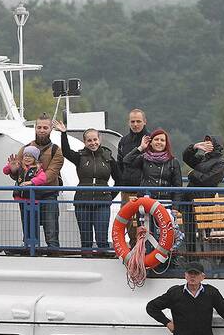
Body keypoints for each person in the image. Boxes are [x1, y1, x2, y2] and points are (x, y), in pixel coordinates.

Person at [56, 121, 119, 254]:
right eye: (89, 140)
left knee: (102, 238)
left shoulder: (108, 157)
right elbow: (66, 152)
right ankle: (87, 261)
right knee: (86, 239)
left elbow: (120, 180)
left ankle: (103, 265)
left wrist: (109, 196)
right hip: (83, 201)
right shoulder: (80, 156)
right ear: (85, 142)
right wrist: (63, 133)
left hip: (102, 203)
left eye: (95, 139)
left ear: (99, 139)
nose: (93, 143)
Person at [22, 115, 65, 249]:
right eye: (39, 127)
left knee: (51, 228)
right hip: (29, 196)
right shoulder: (26, 148)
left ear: (51, 129)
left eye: (45, 127)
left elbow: (52, 173)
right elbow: (19, 170)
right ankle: (29, 249)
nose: (41, 130)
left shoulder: (56, 150)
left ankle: (53, 250)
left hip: (49, 194)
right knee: (29, 228)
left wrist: (33, 182)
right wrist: (12, 169)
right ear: (35, 128)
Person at [180, 136, 224, 253]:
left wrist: (192, 174)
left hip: (205, 202)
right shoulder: (203, 159)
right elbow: (186, 157)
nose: (206, 144)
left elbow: (208, 180)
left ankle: (204, 257)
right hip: (189, 200)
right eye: (205, 142)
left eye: (209, 143)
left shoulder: (221, 163)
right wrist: (195, 147)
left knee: (205, 233)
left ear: (216, 146)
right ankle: (190, 257)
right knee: (189, 231)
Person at [116, 109, 150, 246]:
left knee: (147, 219)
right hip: (128, 188)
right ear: (129, 122)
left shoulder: (152, 139)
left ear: (144, 122)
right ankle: (133, 245)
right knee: (129, 220)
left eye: (138, 121)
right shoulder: (123, 141)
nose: (135, 124)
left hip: (145, 187)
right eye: (132, 121)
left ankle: (147, 247)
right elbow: (120, 163)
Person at [3, 145, 48, 248]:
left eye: (30, 156)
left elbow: (43, 179)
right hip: (22, 200)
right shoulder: (19, 167)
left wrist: (30, 182)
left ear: (35, 159)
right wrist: (10, 166)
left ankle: (34, 243)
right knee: (25, 221)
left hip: (33, 201)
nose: (27, 158)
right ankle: (26, 241)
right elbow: (5, 171)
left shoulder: (37, 169)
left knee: (33, 222)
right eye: (25, 156)